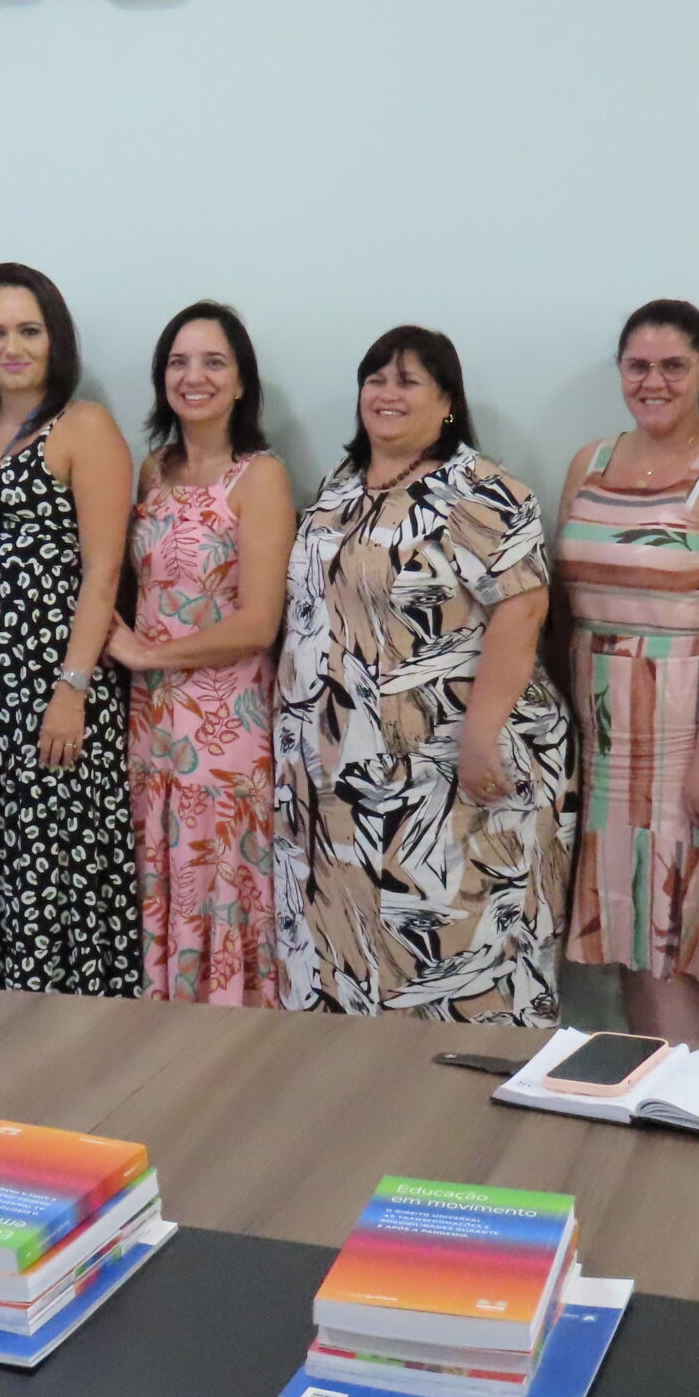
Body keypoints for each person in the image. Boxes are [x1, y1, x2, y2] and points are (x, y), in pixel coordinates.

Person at [274, 326, 574, 1025]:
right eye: (375, 378)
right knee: (352, 959)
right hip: (339, 784)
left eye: (408, 381)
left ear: (447, 402)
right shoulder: (337, 491)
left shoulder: (481, 491)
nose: (386, 393)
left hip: (451, 778)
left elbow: (523, 611)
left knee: (460, 956)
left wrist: (481, 735)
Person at [551, 300, 699, 1042]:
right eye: (639, 366)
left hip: (689, 721)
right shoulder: (588, 462)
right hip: (601, 722)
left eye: (673, 366)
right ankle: (634, 1096)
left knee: (673, 933)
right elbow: (563, 601)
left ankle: (674, 1105)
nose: (654, 382)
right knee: (621, 919)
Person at [0, 262, 141, 996]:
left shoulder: (85, 426)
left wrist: (72, 689)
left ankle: (63, 1023)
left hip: (54, 676)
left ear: (55, 339)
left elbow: (103, 570)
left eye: (27, 329)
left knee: (51, 851)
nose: (10, 346)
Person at [107, 301, 294, 1007]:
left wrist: (153, 656)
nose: (194, 376)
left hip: (225, 728)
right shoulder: (154, 469)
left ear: (241, 381)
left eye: (213, 362)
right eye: (179, 362)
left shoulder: (260, 477)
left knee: (215, 889)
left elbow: (259, 621)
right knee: (162, 879)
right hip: (152, 726)